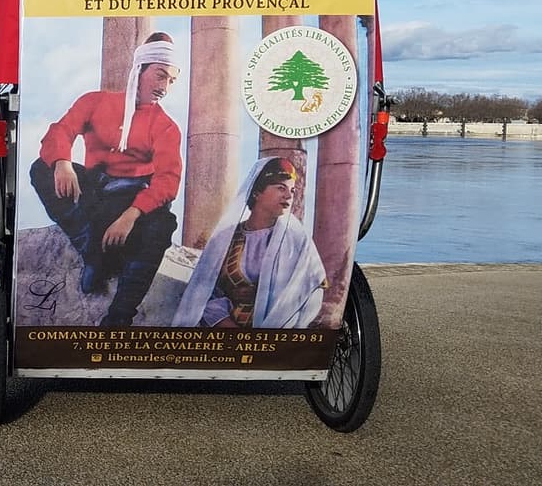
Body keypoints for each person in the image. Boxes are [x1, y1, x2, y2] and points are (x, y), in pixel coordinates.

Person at [30, 32, 183, 327]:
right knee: (41, 168)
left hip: (130, 199)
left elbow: (168, 180)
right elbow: (60, 131)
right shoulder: (95, 102)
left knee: (163, 224)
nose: (164, 87)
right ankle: (91, 251)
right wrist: (62, 161)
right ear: (140, 70)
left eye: (171, 81)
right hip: (93, 193)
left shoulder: (166, 126)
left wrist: (131, 215)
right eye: (160, 75)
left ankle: (118, 317)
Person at [172, 157, 327, 329]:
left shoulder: (297, 239)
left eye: (292, 190)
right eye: (281, 188)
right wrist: (229, 327)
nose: (289, 196)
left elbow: (311, 293)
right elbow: (202, 293)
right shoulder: (225, 239)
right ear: (257, 193)